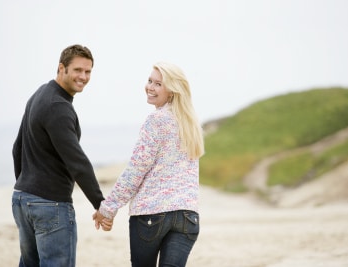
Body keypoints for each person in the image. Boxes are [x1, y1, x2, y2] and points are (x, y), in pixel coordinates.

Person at [93, 62, 205, 267]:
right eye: (150, 81)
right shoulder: (191, 124)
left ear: (172, 91)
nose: (150, 87)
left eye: (158, 84)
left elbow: (136, 170)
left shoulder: (157, 120)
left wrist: (108, 208)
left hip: (153, 215)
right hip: (188, 216)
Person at [12, 44, 112, 267]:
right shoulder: (58, 106)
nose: (83, 77)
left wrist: (27, 186)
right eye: (77, 70)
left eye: (88, 72)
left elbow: (16, 148)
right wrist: (100, 204)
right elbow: (77, 162)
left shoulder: (40, 94)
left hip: (23, 199)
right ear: (61, 68)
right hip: (50, 204)